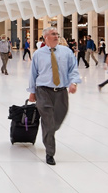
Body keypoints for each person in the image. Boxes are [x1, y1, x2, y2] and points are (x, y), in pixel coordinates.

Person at [26, 26, 80, 165]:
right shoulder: (38, 54)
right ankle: (50, 153)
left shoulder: (66, 52)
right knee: (48, 122)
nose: (56, 36)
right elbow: (33, 73)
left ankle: (48, 132)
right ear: (46, 37)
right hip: (43, 91)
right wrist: (32, 92)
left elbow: (73, 69)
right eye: (53, 34)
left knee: (58, 119)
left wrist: (73, 83)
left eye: (57, 34)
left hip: (61, 91)